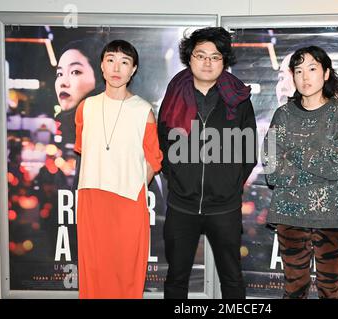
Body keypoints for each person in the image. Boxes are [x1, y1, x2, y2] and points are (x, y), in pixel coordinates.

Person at [157, 27, 257, 299]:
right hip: (182, 205)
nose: (207, 62)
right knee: (176, 278)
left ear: (224, 61)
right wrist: (177, 176)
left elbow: (248, 151)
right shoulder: (174, 94)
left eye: (215, 57)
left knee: (232, 278)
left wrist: (230, 182)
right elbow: (163, 143)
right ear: (190, 58)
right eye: (201, 55)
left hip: (224, 206)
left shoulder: (238, 98)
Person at [263, 45, 338, 299]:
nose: (305, 77)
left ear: (326, 73)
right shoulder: (281, 115)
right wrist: (320, 165)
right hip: (289, 216)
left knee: (331, 291)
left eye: (312, 69)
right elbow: (272, 170)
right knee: (294, 289)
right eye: (298, 70)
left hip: (334, 217)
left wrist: (294, 152)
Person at [74, 39, 163, 298]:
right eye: (110, 59)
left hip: (129, 201)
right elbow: (83, 148)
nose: (116, 67)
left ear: (133, 69)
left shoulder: (143, 110)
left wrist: (135, 186)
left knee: (126, 271)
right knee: (93, 270)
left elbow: (153, 160)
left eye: (124, 62)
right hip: (92, 197)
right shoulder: (86, 107)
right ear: (101, 66)